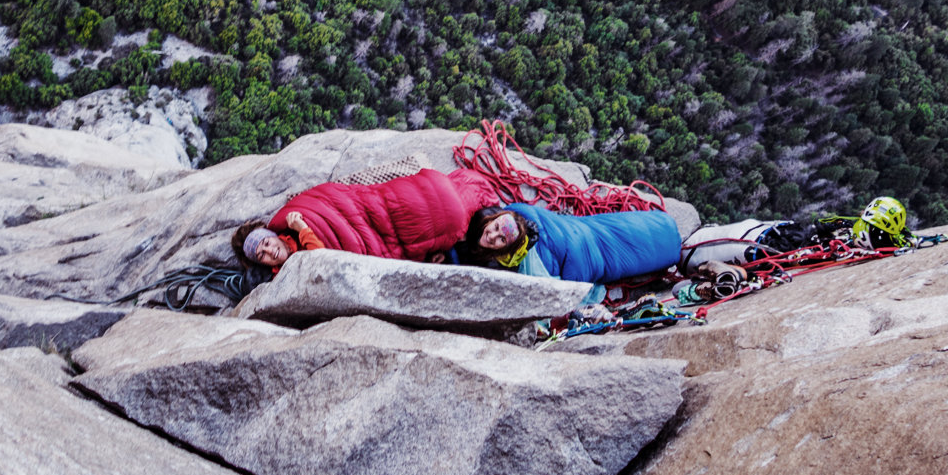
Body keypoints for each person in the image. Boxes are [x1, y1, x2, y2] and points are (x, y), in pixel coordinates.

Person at [233, 166, 501, 273]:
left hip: (375, 210)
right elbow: (321, 260)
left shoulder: (288, 223)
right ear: (264, 264)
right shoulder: (287, 269)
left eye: (265, 243)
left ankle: (471, 194)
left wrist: (302, 222)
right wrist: (303, 228)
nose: (269, 250)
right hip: (371, 245)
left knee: (422, 199)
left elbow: (337, 199)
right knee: (448, 216)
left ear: (271, 235)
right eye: (262, 254)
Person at [457, 202, 682, 285]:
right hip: (575, 232)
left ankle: (666, 232)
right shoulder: (502, 216)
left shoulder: (520, 265)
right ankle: (664, 228)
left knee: (610, 242)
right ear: (494, 218)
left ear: (508, 248)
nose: (492, 236)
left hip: (580, 247)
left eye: (501, 239)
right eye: (495, 228)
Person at [679, 196, 911, 269]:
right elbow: (825, 223)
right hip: (772, 242)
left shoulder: (849, 230)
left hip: (773, 238)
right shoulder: (856, 237)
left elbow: (823, 222)